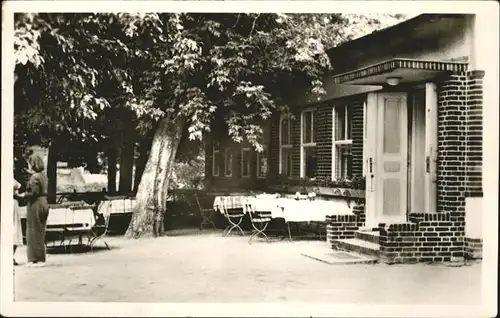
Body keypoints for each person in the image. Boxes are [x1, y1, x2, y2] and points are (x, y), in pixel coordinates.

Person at [18, 154, 49, 267]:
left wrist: (22, 195)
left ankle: (35, 259)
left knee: (33, 231)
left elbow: (34, 193)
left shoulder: (34, 177)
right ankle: (40, 257)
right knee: (40, 231)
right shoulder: (43, 176)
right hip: (44, 202)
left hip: (35, 204)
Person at [13, 179, 24, 266]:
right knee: (14, 228)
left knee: (15, 228)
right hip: (12, 202)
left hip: (13, 202)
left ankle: (11, 255)